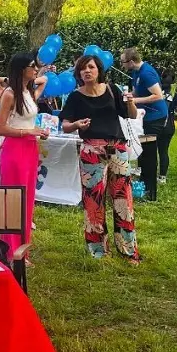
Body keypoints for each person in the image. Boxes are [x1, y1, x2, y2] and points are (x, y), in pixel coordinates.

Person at [59, 54, 140, 263]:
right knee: (93, 201)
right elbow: (65, 125)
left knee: (123, 200)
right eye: (83, 68)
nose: (87, 71)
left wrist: (131, 102)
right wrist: (76, 125)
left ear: (99, 70)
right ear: (78, 73)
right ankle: (98, 251)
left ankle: (128, 250)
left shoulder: (112, 90)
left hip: (117, 149)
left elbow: (130, 115)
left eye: (91, 67)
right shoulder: (75, 97)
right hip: (91, 151)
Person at [0, 51, 49, 260]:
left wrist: (37, 132)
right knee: (14, 199)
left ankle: (22, 250)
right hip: (15, 149)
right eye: (32, 66)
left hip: (30, 148)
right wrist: (28, 131)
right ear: (21, 69)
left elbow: (43, 79)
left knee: (27, 199)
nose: (36, 69)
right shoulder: (10, 94)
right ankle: (10, 249)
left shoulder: (28, 91)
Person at [121, 47, 168, 198]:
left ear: (131, 61)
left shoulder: (146, 73)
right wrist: (129, 95)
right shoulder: (135, 72)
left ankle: (150, 190)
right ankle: (143, 183)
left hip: (156, 116)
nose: (122, 65)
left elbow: (158, 95)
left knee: (149, 152)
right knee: (143, 151)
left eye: (123, 62)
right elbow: (137, 92)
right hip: (145, 116)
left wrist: (135, 100)